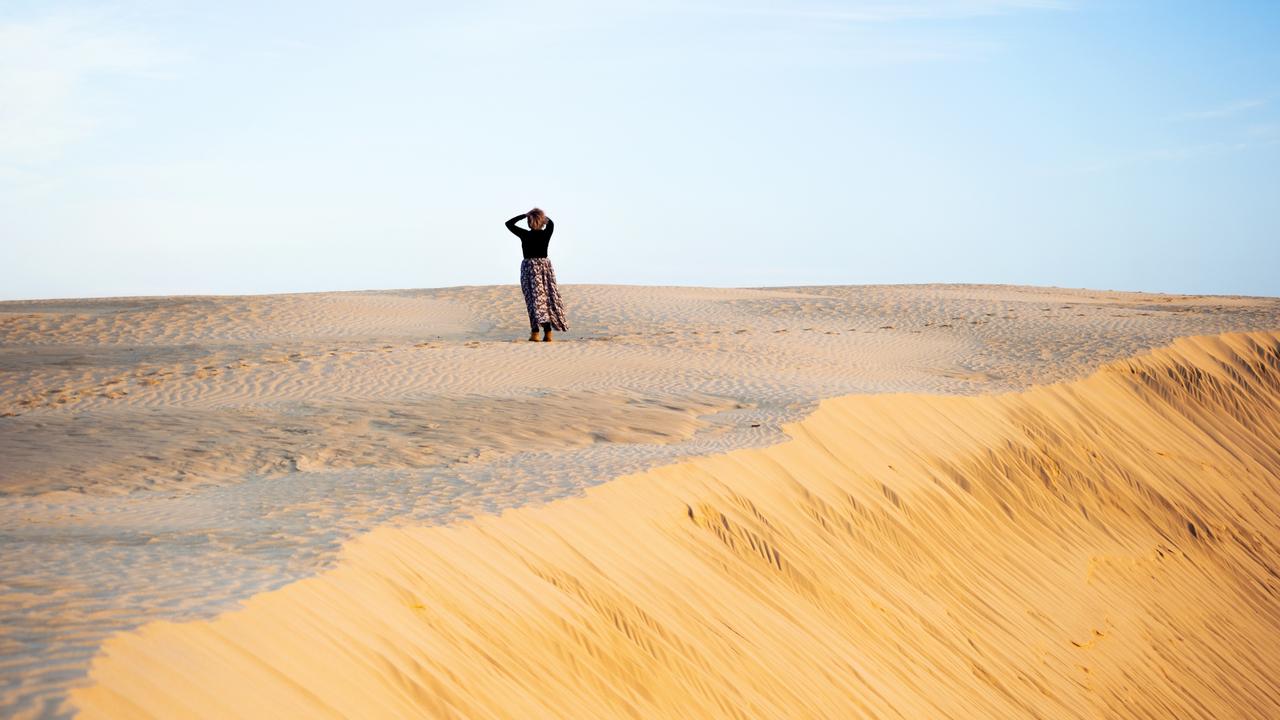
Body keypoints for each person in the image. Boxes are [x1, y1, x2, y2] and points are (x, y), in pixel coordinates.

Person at [505, 208, 569, 342]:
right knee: (543, 300)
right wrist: (541, 217)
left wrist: (524, 215)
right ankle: (544, 332)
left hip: (530, 268)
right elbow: (551, 223)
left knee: (533, 301)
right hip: (543, 267)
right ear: (542, 222)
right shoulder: (546, 233)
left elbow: (509, 224)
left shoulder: (525, 234)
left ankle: (538, 332)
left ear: (529, 222)